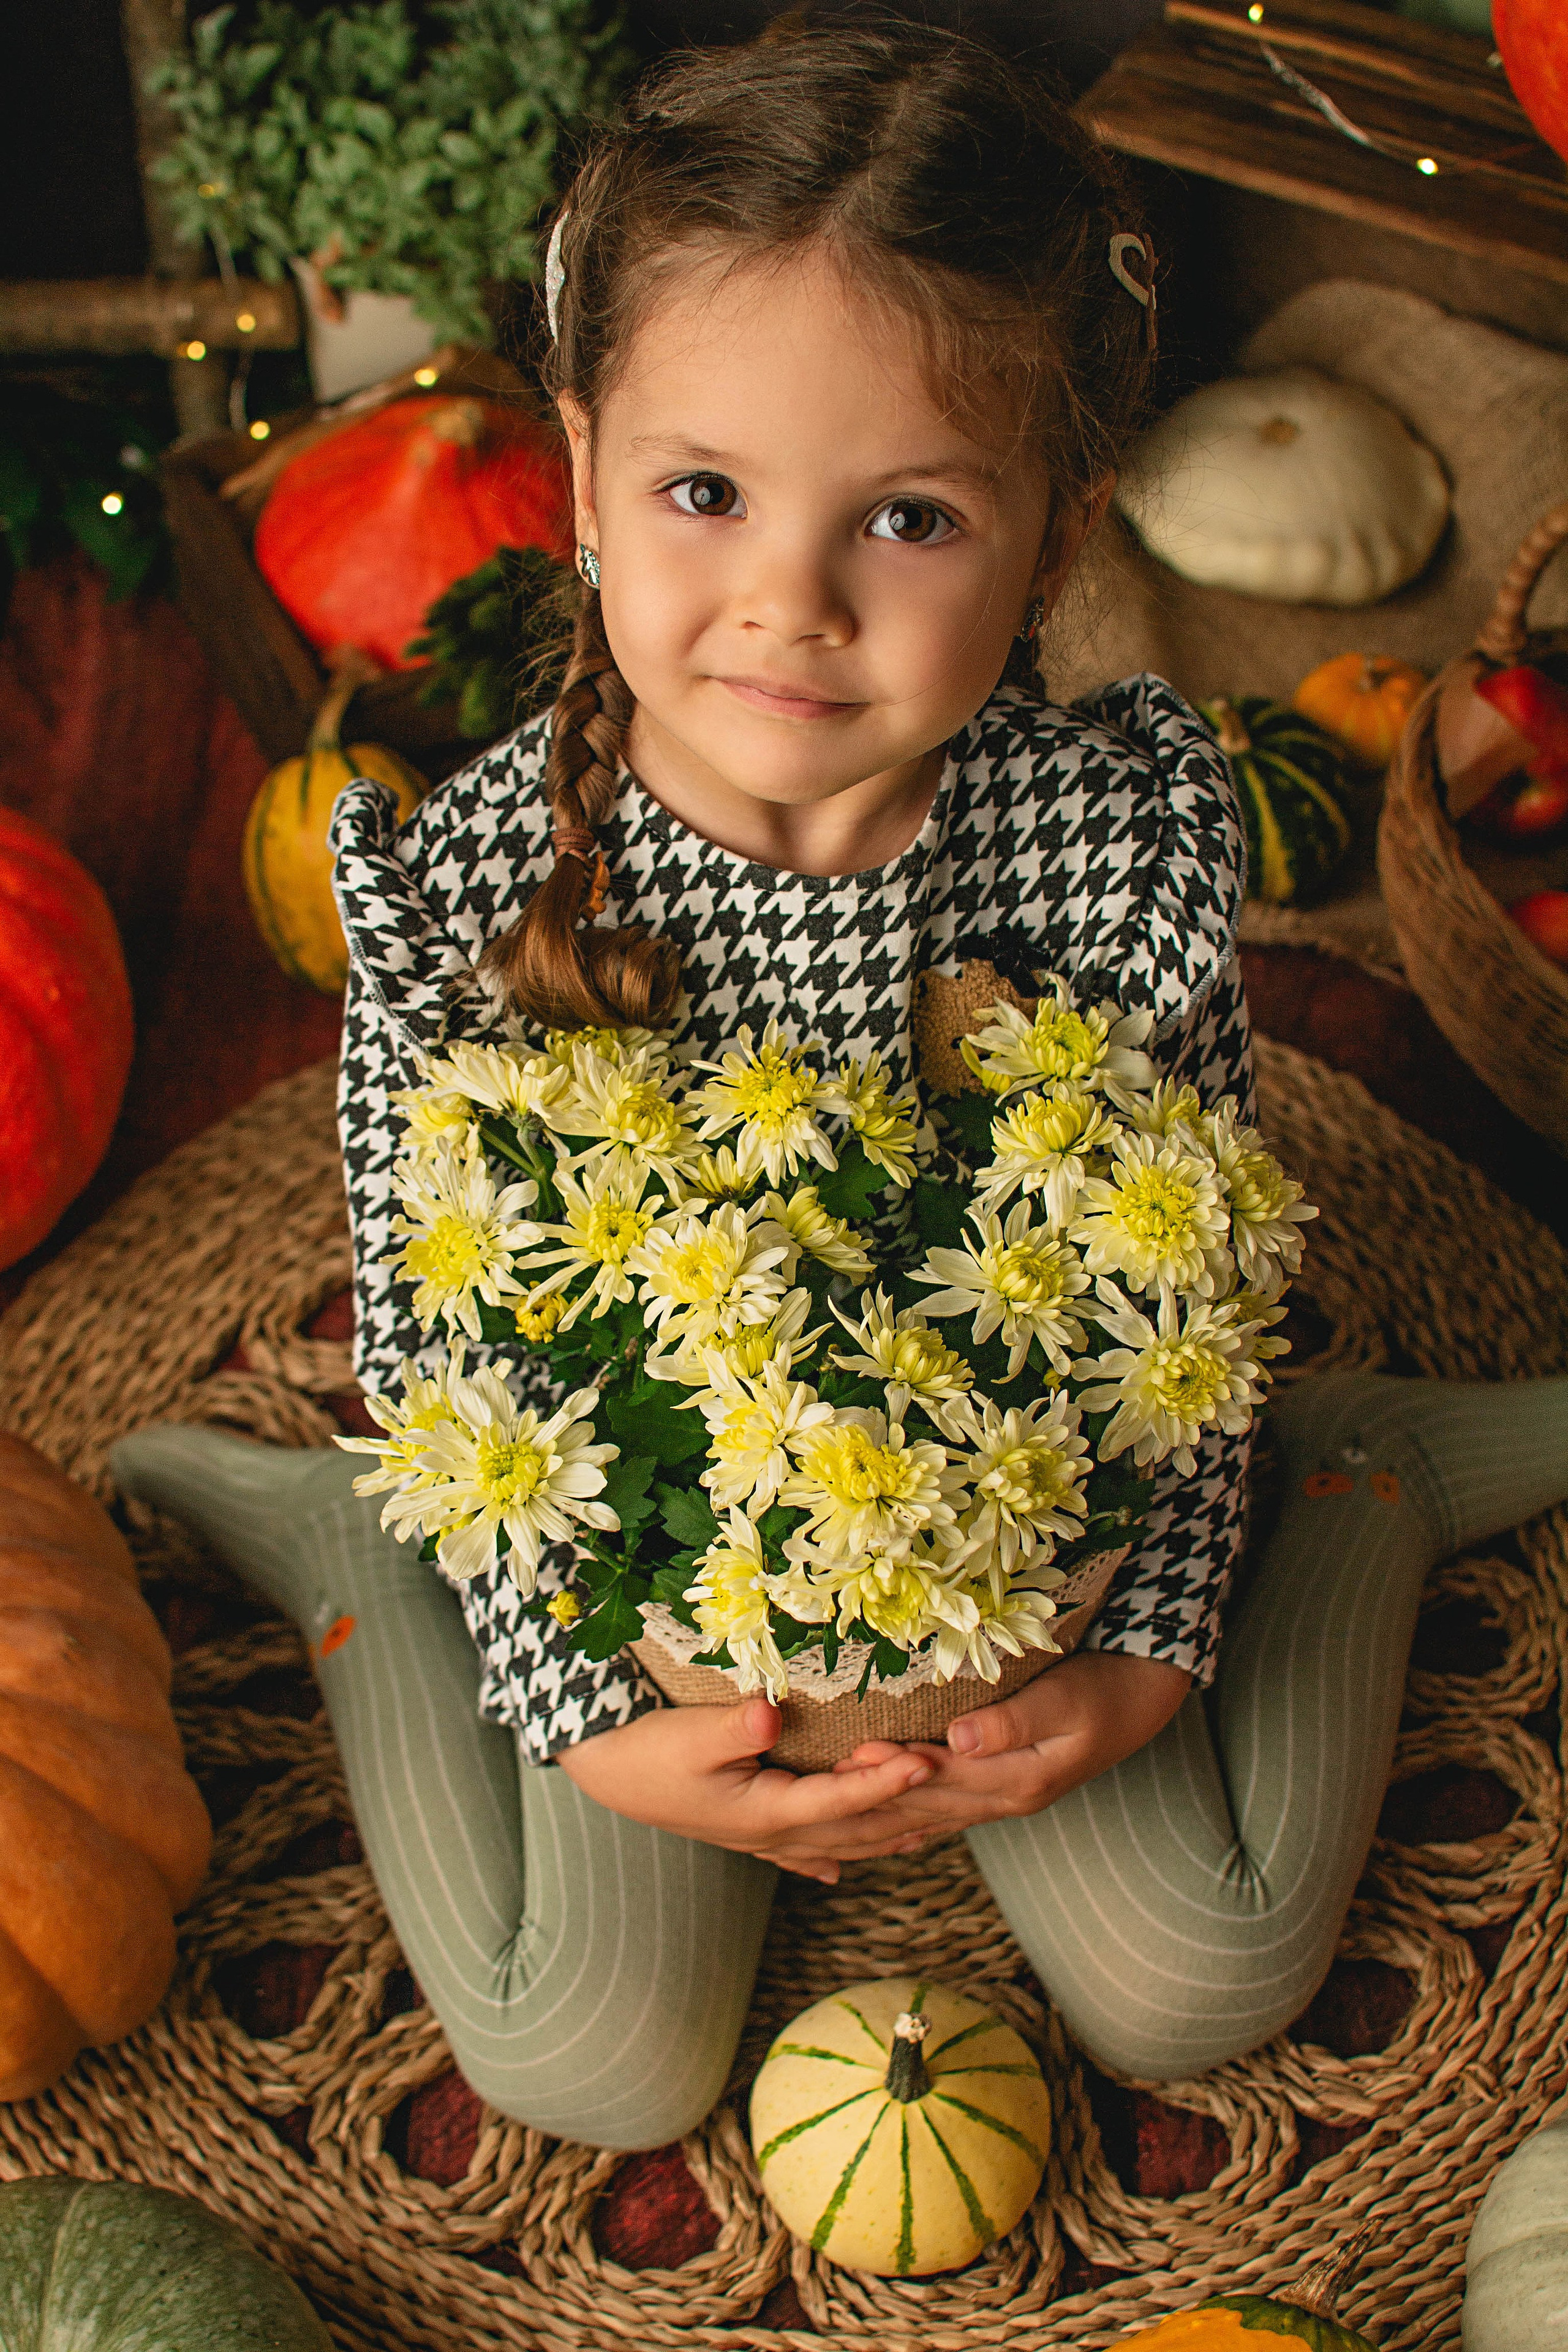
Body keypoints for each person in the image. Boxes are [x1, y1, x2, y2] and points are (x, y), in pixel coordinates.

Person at [114, 22, 1568, 2149]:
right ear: (587, 470)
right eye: (707, 491)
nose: (790, 604)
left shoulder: (1116, 842)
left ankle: (1370, 1484)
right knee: (582, 2059)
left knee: (1203, 1982)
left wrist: (1142, 1656)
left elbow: (1187, 1300)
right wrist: (598, 1727)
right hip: (638, 1577)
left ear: (1058, 527)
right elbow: (442, 1348)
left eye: (907, 516)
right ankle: (348, 1559)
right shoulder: (464, 886)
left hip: (1017, 1559)